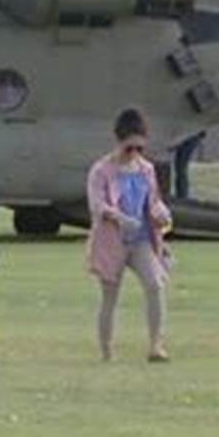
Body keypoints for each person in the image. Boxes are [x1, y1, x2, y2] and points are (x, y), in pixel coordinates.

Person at [86, 108, 173, 362]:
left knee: (155, 285)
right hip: (112, 241)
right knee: (110, 297)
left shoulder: (146, 170)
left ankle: (156, 346)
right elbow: (96, 205)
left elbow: (153, 200)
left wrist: (161, 214)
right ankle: (106, 350)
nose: (134, 154)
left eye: (140, 149)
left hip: (142, 240)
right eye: (129, 148)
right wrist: (119, 218)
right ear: (119, 142)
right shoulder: (102, 170)